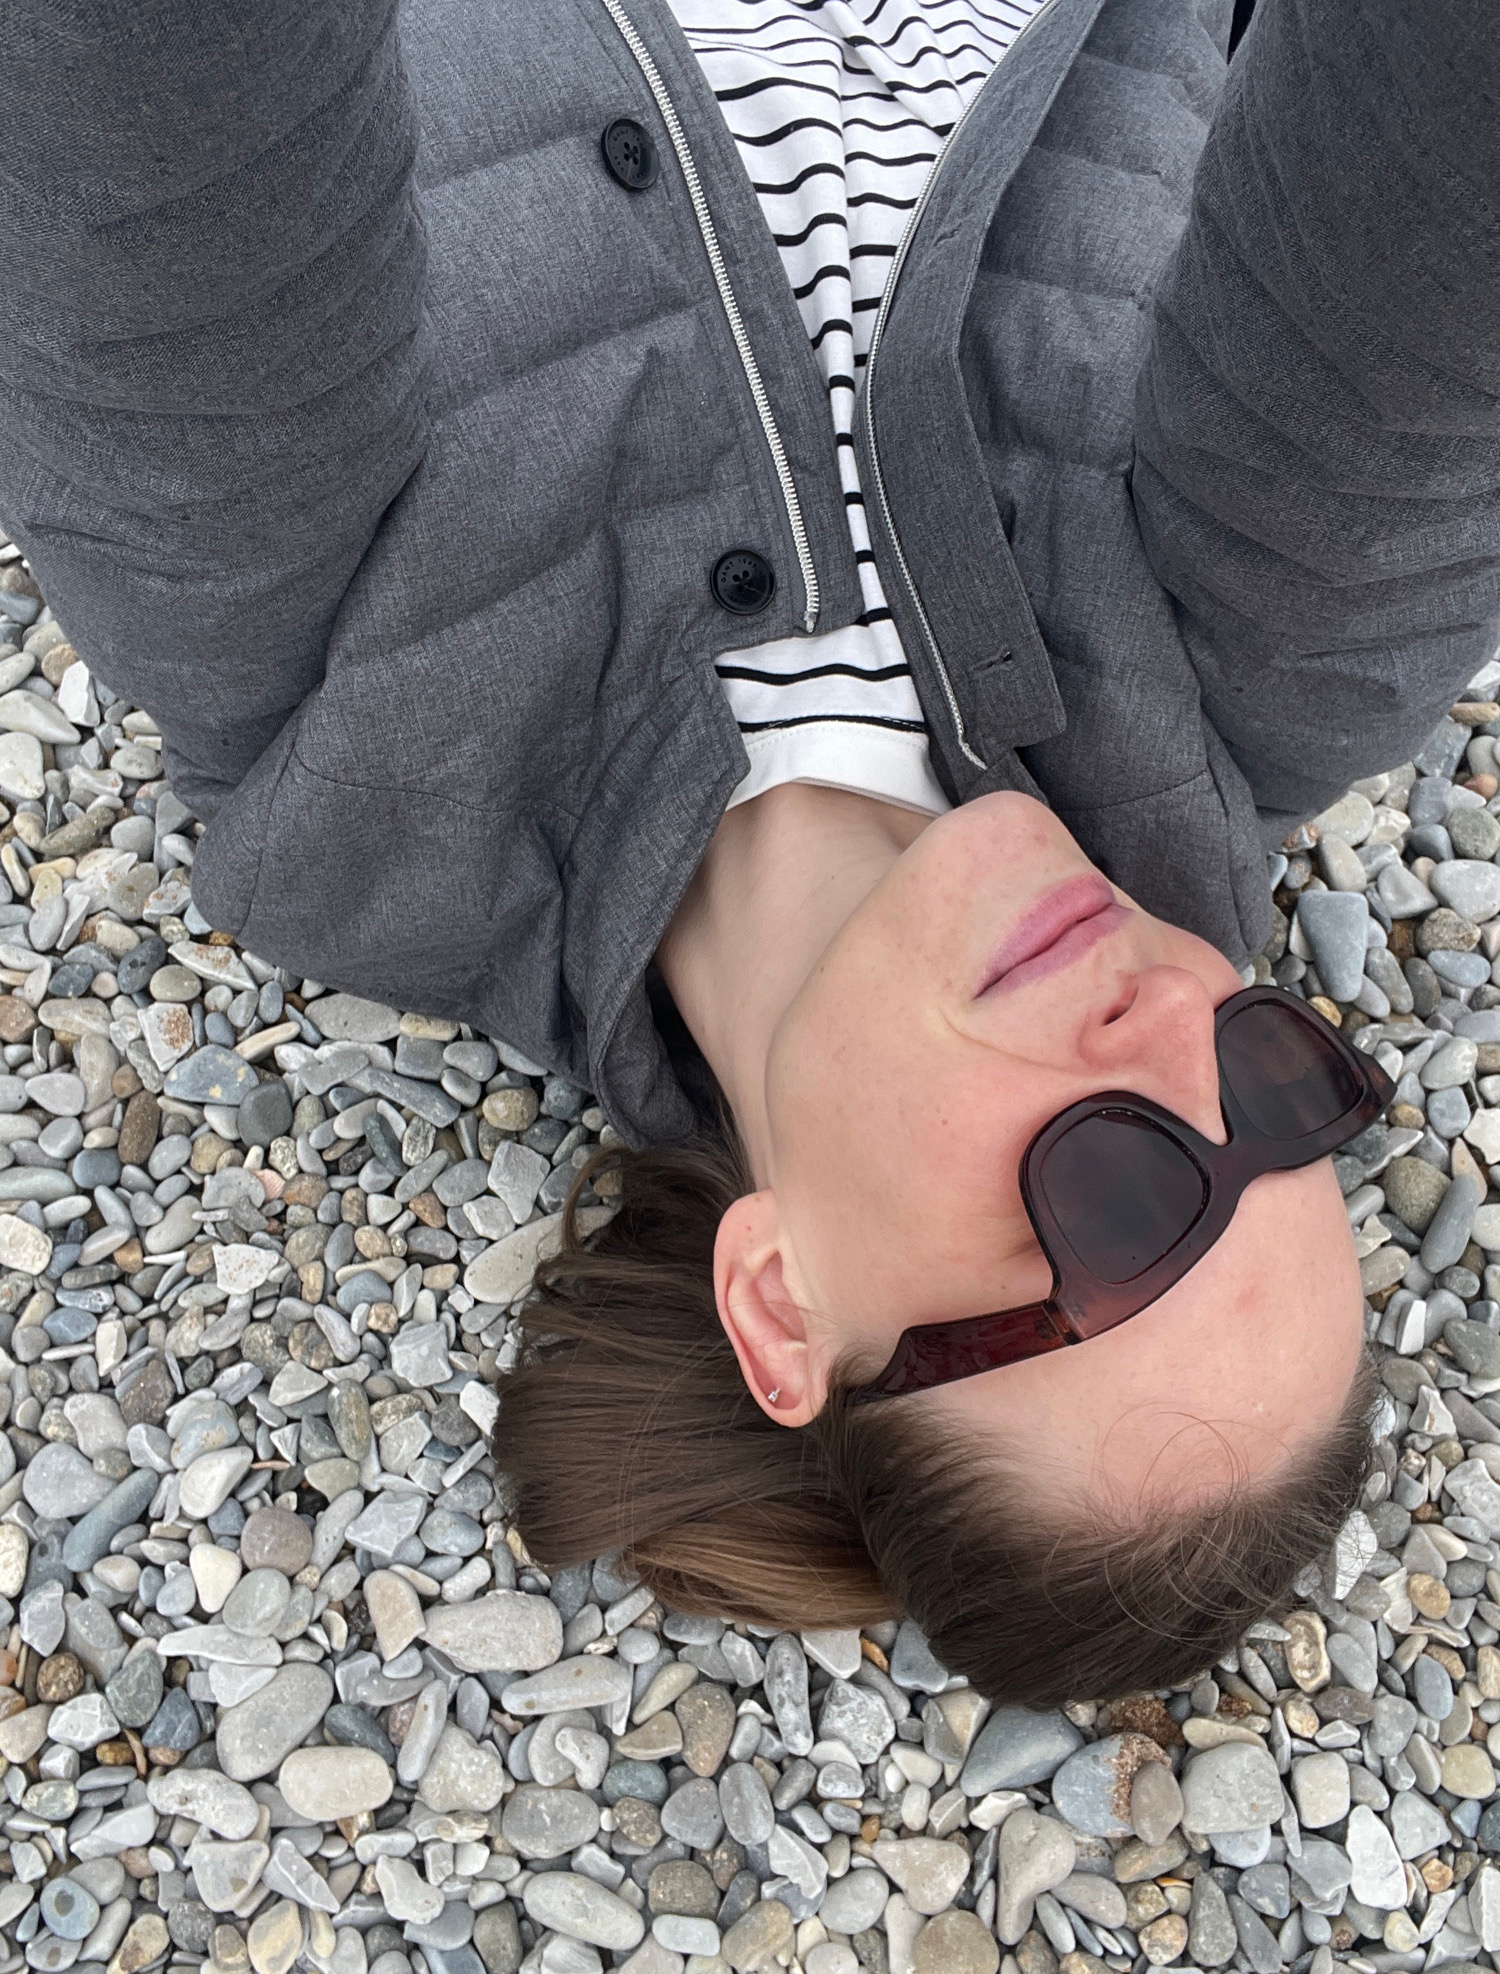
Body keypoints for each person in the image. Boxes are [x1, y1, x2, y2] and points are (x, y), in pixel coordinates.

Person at [2, 0, 1496, 1698]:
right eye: (1278, 1098)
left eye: (1120, 1198)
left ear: (785, 1305)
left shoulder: (355, 758)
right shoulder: (1262, 677)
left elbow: (141, 104)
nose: (1173, 1020)